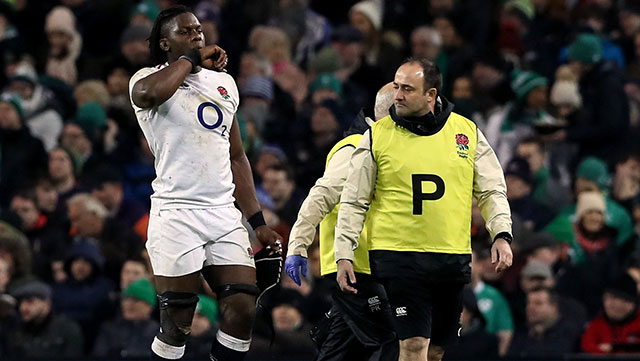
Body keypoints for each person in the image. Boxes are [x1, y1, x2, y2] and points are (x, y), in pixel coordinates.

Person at [129, 6, 282, 361]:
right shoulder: (146, 77)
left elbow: (236, 156)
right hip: (176, 212)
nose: (197, 34)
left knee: (243, 309)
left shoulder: (223, 84)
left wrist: (257, 223)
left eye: (199, 29)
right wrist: (190, 60)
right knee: (177, 323)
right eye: (186, 31)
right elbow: (148, 96)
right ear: (165, 44)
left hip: (222, 213)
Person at [335, 57, 514, 361]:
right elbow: (354, 200)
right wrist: (343, 253)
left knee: (436, 350)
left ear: (431, 95)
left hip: (451, 257)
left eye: (407, 89)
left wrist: (502, 234)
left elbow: (491, 189)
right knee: (414, 345)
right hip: (399, 257)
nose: (398, 96)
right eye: (396, 87)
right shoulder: (377, 136)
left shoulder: (466, 133)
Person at [286, 83, 397, 361]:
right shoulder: (354, 146)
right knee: (393, 340)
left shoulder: (390, 149)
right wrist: (298, 245)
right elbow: (321, 195)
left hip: (377, 267)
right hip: (357, 269)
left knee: (344, 350)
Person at [7, 280, 84, 358]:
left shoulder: (67, 328)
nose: (23, 308)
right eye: (21, 302)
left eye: (30, 301)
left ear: (47, 304)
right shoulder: (17, 330)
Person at [581, 273, 640, 354]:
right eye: (605, 298)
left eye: (613, 298)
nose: (608, 304)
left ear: (630, 303)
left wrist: (615, 348)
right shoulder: (596, 324)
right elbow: (587, 347)